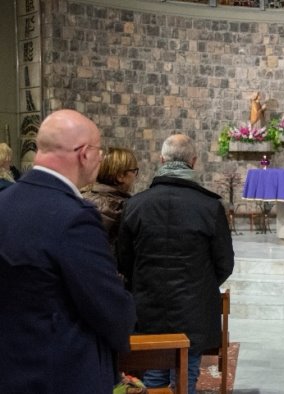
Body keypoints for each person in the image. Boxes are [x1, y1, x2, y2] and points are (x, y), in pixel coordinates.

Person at [0, 109, 136, 393]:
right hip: (62, 373)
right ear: (84, 153)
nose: (100, 157)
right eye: (99, 150)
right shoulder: (73, 217)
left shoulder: (5, 202)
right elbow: (110, 310)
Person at [117, 133, 234, 394]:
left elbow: (123, 259)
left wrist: (145, 284)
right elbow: (225, 262)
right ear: (193, 162)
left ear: (161, 160)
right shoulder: (210, 207)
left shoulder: (135, 205)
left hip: (148, 304)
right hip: (193, 307)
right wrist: (200, 284)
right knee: (187, 375)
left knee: (153, 372)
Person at [81, 147, 139, 253]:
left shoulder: (81, 197)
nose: (136, 176)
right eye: (134, 171)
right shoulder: (124, 208)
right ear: (120, 176)